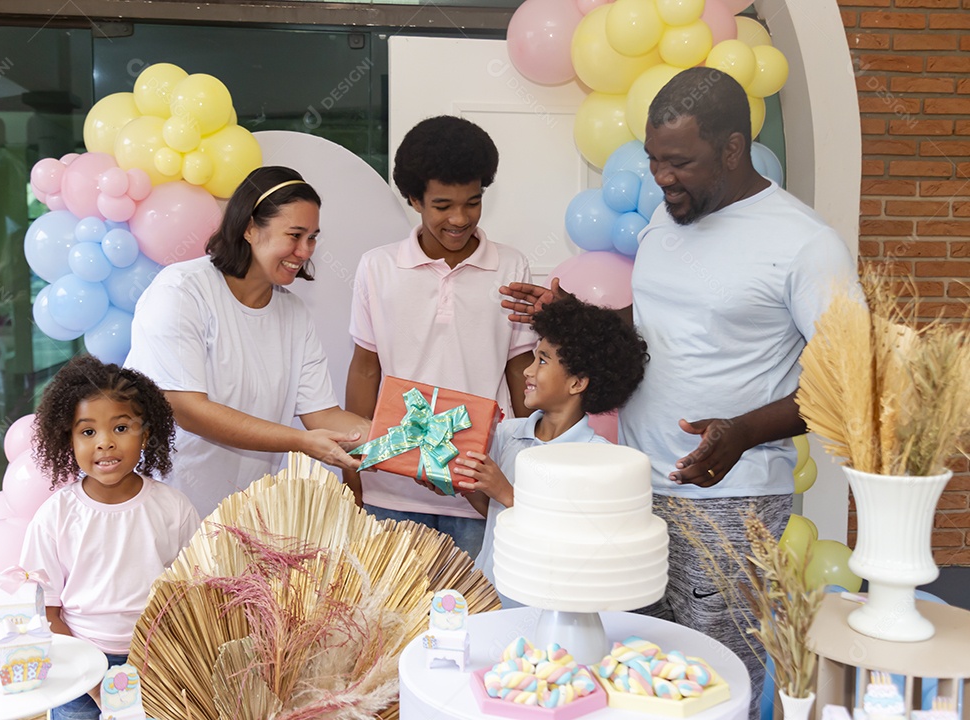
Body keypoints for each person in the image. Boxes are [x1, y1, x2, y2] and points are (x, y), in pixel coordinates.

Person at [499, 67, 857, 719]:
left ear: (732, 148)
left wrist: (743, 430)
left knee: (715, 675)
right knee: (638, 666)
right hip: (637, 488)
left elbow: (852, 378)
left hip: (731, 497)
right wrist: (570, 313)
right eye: (653, 160)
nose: (661, 179)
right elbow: (654, 324)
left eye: (679, 162)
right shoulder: (667, 222)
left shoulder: (804, 244)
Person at [124, 166, 370, 517]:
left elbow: (324, 415)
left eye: (312, 237)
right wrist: (300, 441)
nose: (304, 251)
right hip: (169, 509)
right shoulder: (181, 291)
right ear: (250, 229)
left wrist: (410, 442)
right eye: (295, 235)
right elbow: (186, 408)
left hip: (246, 516)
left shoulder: (294, 313)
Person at [345, 115, 537, 556]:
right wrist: (353, 470)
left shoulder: (511, 267)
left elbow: (520, 372)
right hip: (391, 488)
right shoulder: (377, 267)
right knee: (393, 622)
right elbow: (365, 368)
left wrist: (526, 465)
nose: (459, 218)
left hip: (478, 486)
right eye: (443, 205)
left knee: (482, 616)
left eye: (473, 203)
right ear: (414, 199)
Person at [21, 355, 200, 720]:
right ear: (67, 439)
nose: (105, 443)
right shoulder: (55, 516)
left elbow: (194, 593)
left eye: (121, 428)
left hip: (156, 664)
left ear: (146, 434)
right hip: (76, 666)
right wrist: (93, 679)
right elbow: (44, 611)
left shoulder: (174, 508)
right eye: (88, 432)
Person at [453, 296, 648, 607]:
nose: (528, 372)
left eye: (542, 361)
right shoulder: (508, 435)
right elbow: (495, 513)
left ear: (578, 383)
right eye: (533, 358)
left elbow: (573, 541)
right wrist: (465, 485)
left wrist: (505, 492)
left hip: (546, 612)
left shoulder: (598, 459)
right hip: (488, 597)